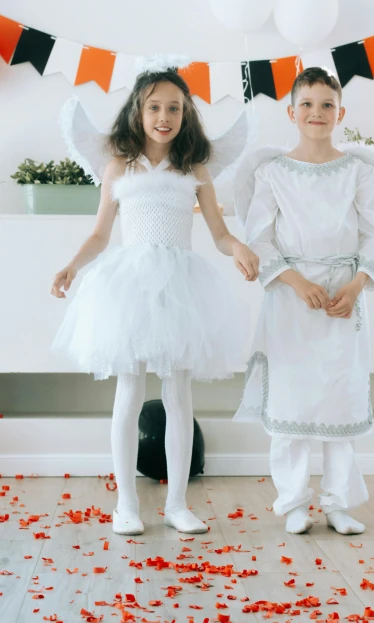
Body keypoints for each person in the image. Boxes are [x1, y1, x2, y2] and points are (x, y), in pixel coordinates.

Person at [51, 59, 259, 536]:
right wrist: (71, 267)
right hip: (130, 287)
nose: (164, 116)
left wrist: (238, 248)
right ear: (138, 112)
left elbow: (219, 233)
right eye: (154, 107)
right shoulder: (119, 164)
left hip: (182, 287)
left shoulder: (195, 166)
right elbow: (101, 235)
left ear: (185, 114)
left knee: (179, 395)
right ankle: (126, 503)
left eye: (175, 108)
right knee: (129, 391)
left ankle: (177, 503)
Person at [234, 66, 374, 535]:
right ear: (291, 112)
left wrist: (355, 286)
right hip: (291, 302)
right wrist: (296, 282)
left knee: (338, 397)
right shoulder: (272, 173)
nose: (317, 113)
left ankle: (339, 502)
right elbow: (260, 239)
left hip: (342, 300)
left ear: (340, 112)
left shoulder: (358, 172)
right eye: (307, 104)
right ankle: (293, 502)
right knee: (293, 398)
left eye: (327, 104)